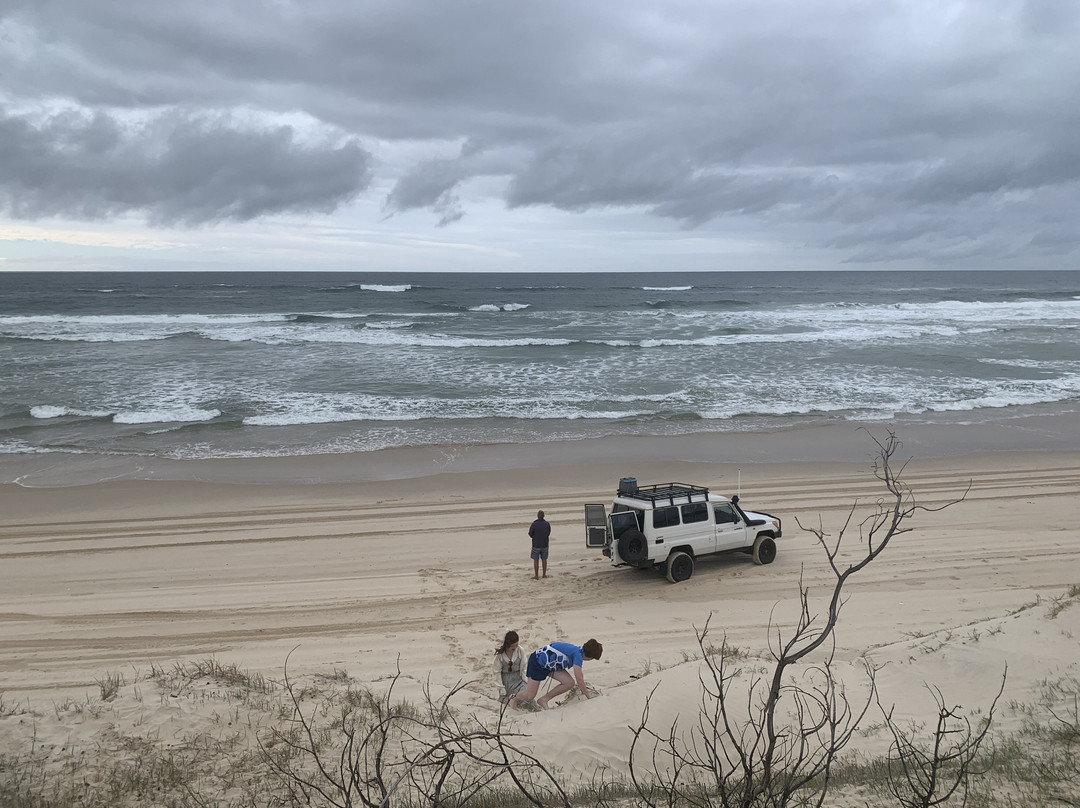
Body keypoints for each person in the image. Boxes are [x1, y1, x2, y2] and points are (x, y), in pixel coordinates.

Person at [510, 639, 603, 711]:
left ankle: (544, 700)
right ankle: (514, 698)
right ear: (590, 657)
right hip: (537, 663)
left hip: (551, 666)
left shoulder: (578, 651)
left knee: (569, 682)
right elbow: (579, 677)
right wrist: (587, 694)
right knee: (529, 696)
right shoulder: (578, 654)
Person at [493, 630, 527, 703]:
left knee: (526, 697)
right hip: (506, 683)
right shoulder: (500, 655)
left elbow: (524, 667)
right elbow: (497, 672)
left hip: (519, 680)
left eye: (516, 645)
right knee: (508, 700)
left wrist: (525, 681)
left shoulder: (520, 651)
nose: (514, 647)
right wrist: (501, 688)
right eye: (512, 646)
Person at [529, 509, 551, 580]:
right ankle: (544, 574)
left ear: (537, 516)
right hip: (544, 543)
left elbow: (530, 533)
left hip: (536, 544)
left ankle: (536, 575)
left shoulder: (534, 524)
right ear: (543, 516)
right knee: (544, 559)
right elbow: (548, 532)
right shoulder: (547, 524)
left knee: (536, 560)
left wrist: (535, 537)